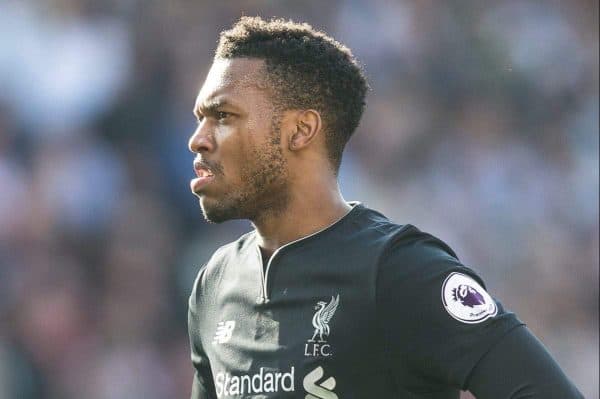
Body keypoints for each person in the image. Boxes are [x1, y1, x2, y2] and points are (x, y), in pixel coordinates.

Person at [187, 16, 583, 399]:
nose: (198, 139)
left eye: (223, 116)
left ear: (300, 130)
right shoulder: (214, 285)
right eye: (200, 118)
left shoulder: (398, 270)